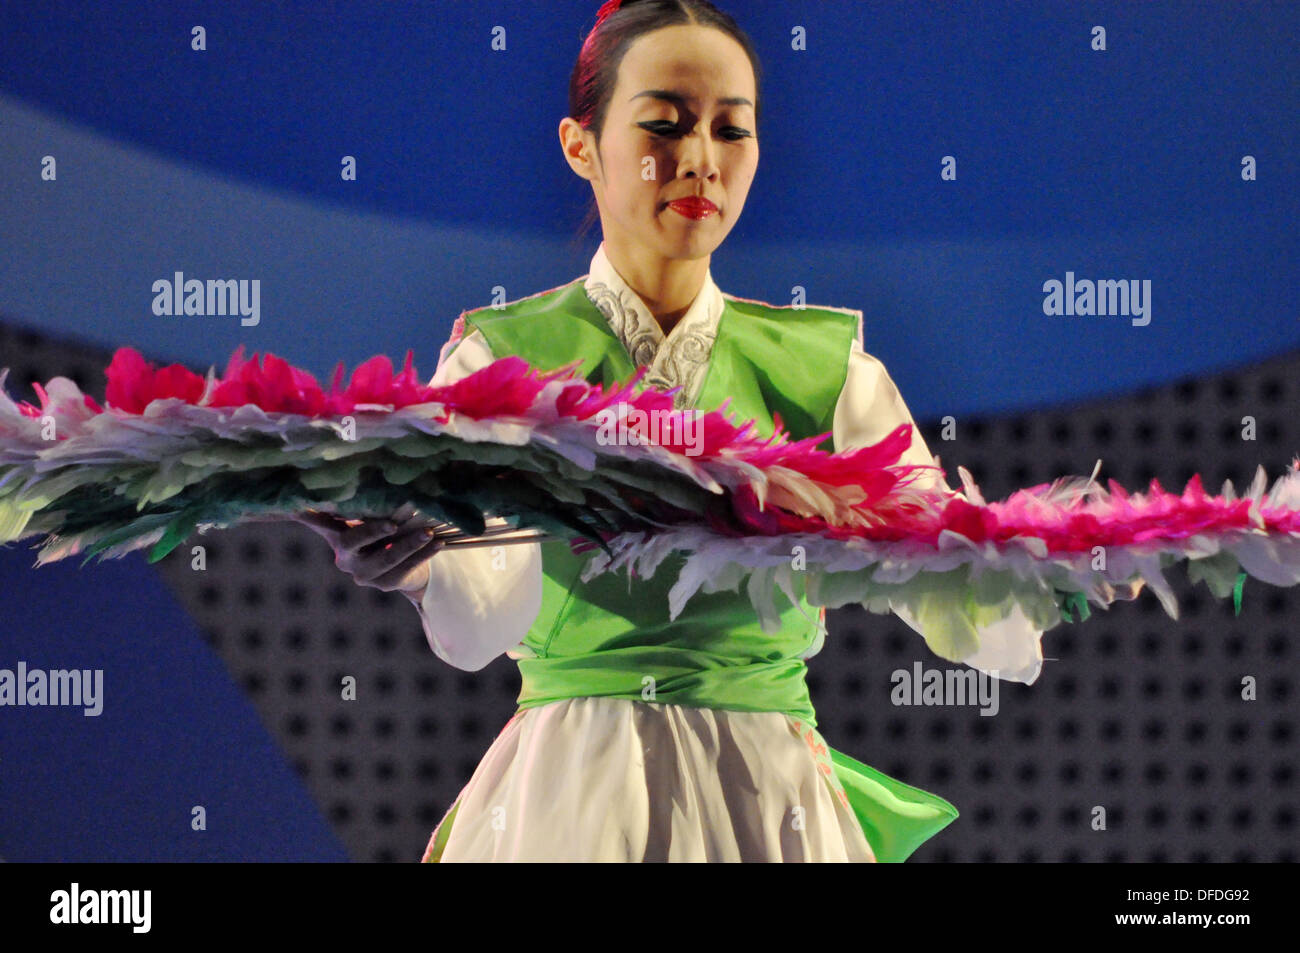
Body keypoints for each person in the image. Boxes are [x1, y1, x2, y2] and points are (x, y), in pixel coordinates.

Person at [294, 0, 1129, 861]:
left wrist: (1039, 569)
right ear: (581, 145)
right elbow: (482, 623)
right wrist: (425, 565)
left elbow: (942, 585)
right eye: (664, 123)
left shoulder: (825, 370)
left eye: (732, 130)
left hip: (765, 802)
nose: (699, 160)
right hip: (573, 798)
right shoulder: (499, 360)